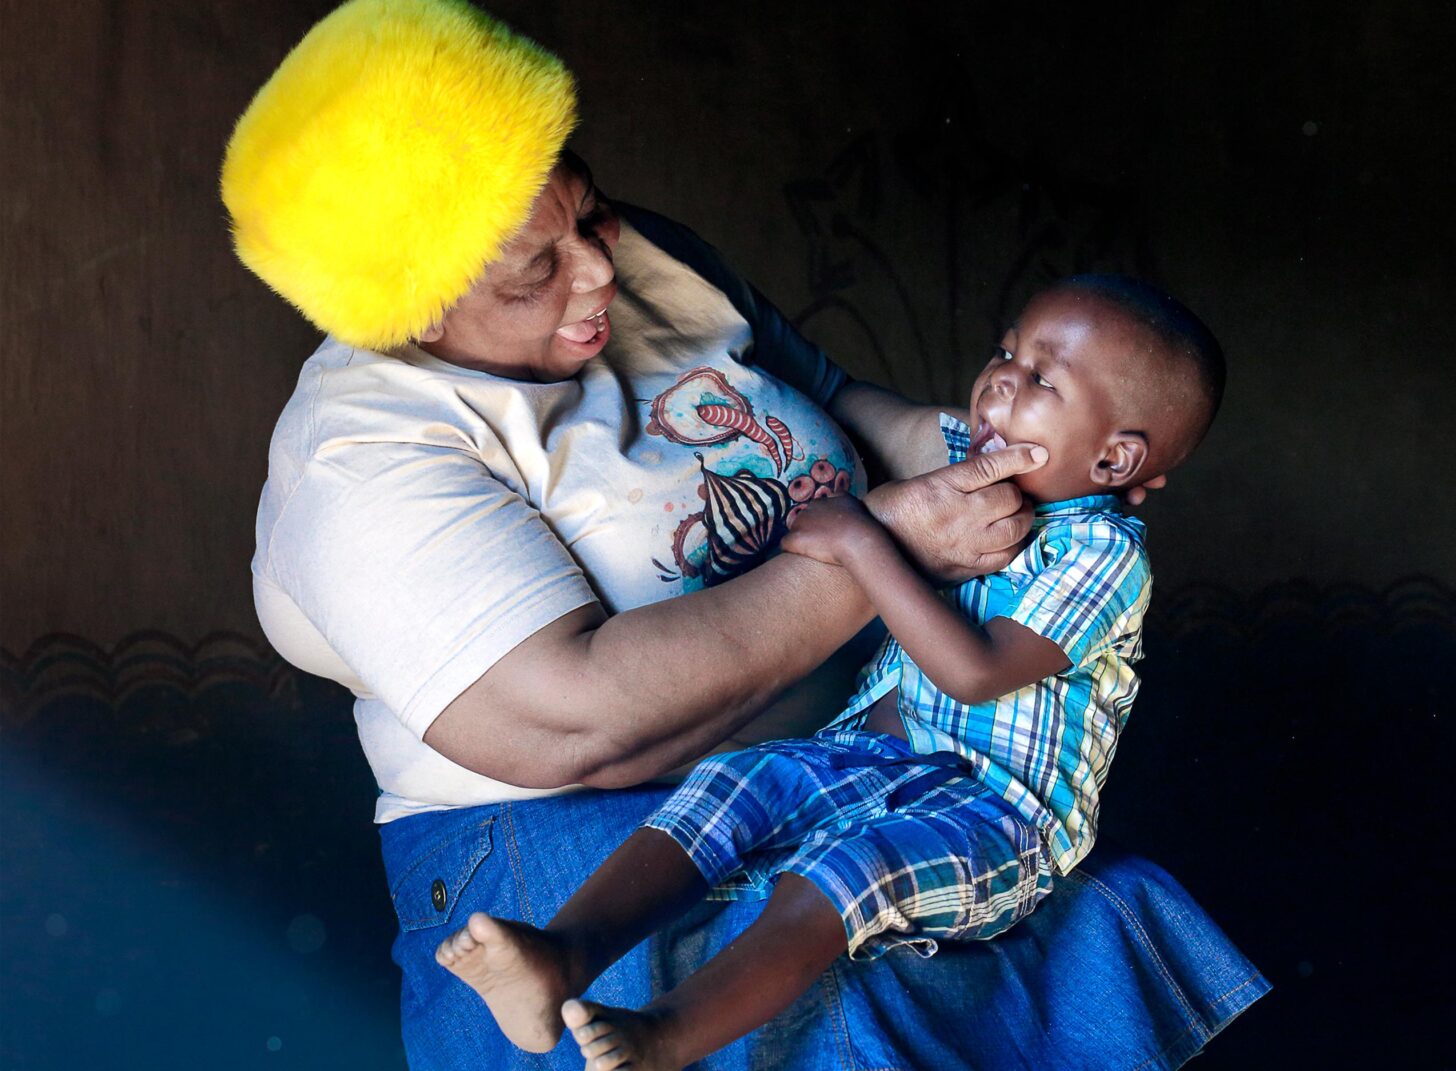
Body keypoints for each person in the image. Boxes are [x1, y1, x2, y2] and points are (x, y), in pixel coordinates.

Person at [224, 1, 1268, 1067]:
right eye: (535, 268)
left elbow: (834, 399)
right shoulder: (362, 455)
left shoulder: (646, 266)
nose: (596, 271)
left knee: (1081, 918)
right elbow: (574, 724)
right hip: (576, 837)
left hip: (847, 758)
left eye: (590, 215)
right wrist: (890, 539)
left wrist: (1005, 458)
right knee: (845, 994)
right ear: (413, 308)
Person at [431, 276, 1224, 1071]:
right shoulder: (976, 469)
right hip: (868, 759)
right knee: (733, 785)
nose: (999, 380)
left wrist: (863, 541)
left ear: (1118, 454)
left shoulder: (1103, 555)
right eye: (1006, 351)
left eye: (1041, 379)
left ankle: (665, 1036)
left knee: (845, 876)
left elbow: (974, 673)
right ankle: (561, 953)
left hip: (995, 816)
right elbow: (896, 439)